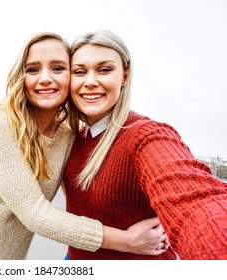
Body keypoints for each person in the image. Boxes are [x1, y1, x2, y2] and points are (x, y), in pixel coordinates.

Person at [0, 32, 168, 260]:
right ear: (21, 76)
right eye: (33, 69)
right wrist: (127, 241)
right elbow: (35, 213)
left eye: (58, 68)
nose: (45, 78)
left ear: (71, 75)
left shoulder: (69, 134)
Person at [64, 30, 227, 260]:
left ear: (124, 76)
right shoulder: (76, 139)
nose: (90, 82)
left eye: (105, 69)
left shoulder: (146, 136)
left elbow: (197, 201)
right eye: (80, 72)